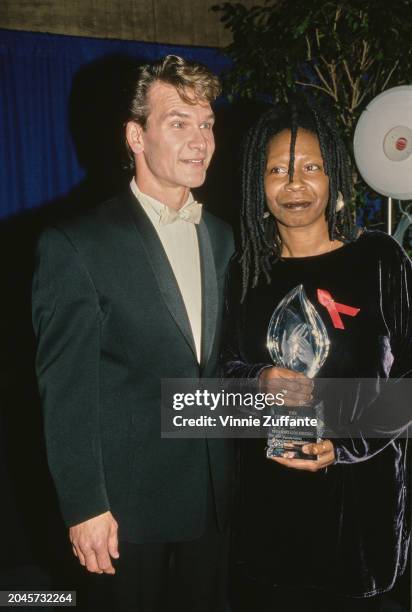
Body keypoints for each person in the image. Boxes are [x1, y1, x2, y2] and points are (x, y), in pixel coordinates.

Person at [32, 55, 235, 612]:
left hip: (215, 501)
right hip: (125, 510)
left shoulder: (221, 238)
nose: (200, 140)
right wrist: (84, 506)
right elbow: (67, 390)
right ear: (135, 136)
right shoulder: (76, 243)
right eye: (179, 123)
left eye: (207, 123)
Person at [222, 99, 412, 612]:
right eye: (278, 171)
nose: (295, 185)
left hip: (361, 516)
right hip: (269, 515)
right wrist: (259, 380)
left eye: (311, 168)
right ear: (257, 187)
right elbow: (222, 373)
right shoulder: (244, 273)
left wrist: (346, 443)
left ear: (333, 179)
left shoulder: (378, 259)